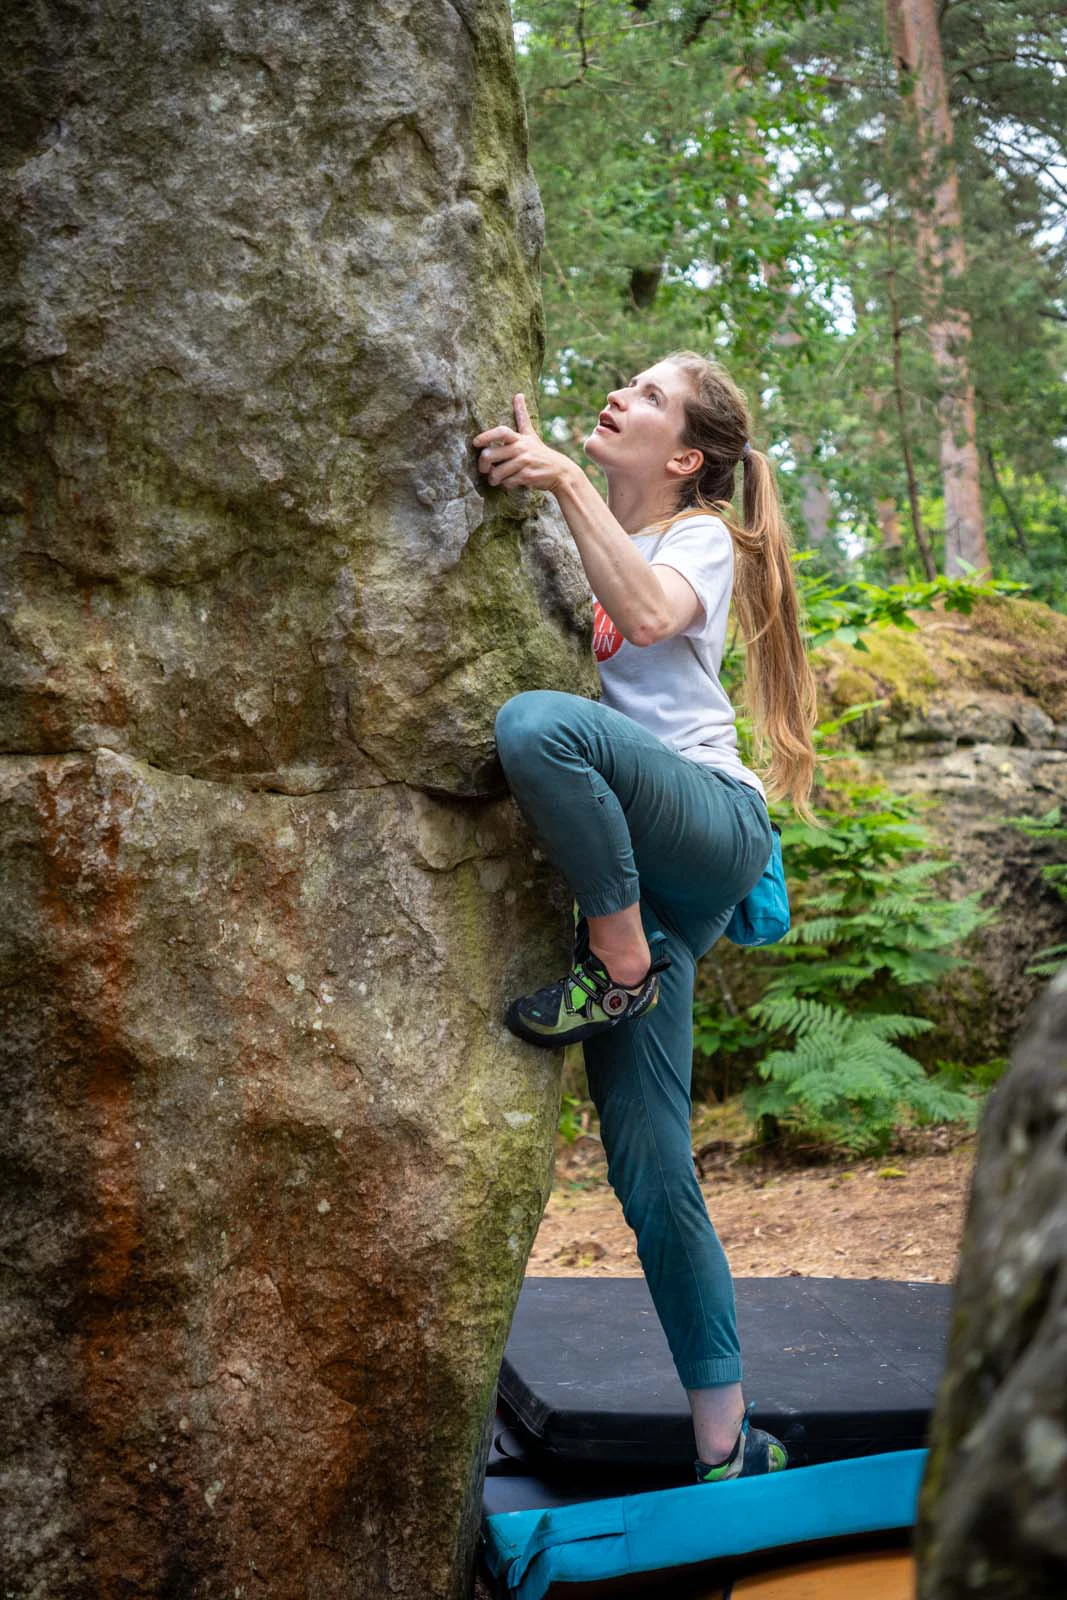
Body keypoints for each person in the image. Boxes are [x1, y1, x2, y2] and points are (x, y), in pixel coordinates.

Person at [472, 351, 818, 1484]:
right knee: (650, 1165)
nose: (622, 393)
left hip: (709, 825)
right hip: (642, 884)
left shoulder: (699, 538)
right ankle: (727, 1442)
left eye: (652, 395)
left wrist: (563, 477)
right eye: (626, 380)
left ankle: (615, 964)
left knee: (537, 726)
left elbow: (652, 612)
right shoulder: (588, 547)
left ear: (684, 459)